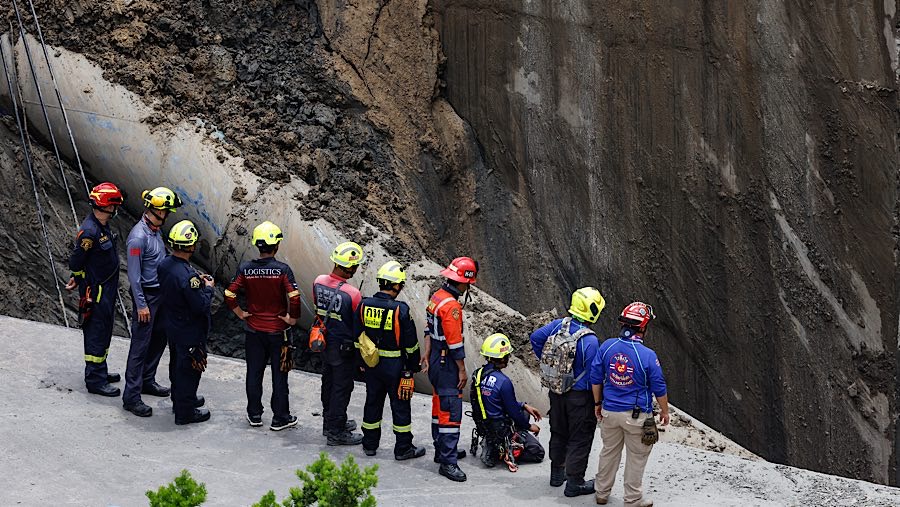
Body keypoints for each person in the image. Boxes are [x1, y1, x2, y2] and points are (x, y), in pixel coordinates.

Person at [224, 221, 301, 431]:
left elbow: (229, 293)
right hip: (278, 331)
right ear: (276, 245)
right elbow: (294, 297)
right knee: (280, 375)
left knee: (254, 373)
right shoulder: (282, 270)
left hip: (253, 331)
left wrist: (240, 313)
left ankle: (255, 415)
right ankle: (280, 418)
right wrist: (292, 318)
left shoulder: (246, 269)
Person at [530, 287, 606, 497]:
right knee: (580, 439)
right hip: (580, 398)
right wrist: (598, 402)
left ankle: (557, 473)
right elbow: (594, 377)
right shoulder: (590, 341)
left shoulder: (558, 325)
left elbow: (535, 338)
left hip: (556, 392)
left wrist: (549, 365)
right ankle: (574, 483)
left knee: (559, 431)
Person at [592, 302, 669, 507]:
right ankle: (632, 499)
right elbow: (659, 386)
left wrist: (597, 403)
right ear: (643, 327)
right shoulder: (648, 355)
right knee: (637, 457)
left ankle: (601, 493)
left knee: (608, 452)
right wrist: (665, 411)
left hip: (609, 411)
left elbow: (596, 378)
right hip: (636, 416)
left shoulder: (607, 346)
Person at [355, 260, 426, 460]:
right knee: (400, 407)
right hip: (395, 368)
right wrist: (411, 369)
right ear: (395, 285)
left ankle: (369, 444)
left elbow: (357, 337)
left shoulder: (364, 304)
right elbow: (411, 344)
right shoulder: (400, 309)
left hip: (372, 365)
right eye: (401, 284)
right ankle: (403, 448)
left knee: (372, 403)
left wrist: (361, 363)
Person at [122, 186, 182, 417]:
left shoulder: (155, 231)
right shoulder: (138, 238)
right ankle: (131, 397)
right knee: (140, 346)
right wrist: (141, 305)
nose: (167, 215)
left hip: (160, 294)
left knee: (158, 339)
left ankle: (147, 380)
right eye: (166, 211)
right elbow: (134, 276)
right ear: (157, 210)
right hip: (147, 296)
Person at [66, 182, 124, 397]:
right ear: (106, 206)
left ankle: (101, 370)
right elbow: (76, 261)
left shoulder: (102, 225)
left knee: (105, 330)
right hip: (96, 291)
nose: (115, 209)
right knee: (96, 332)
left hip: (105, 289)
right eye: (114, 205)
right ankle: (95, 380)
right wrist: (78, 277)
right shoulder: (89, 232)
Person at [424, 256, 478, 482]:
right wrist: (462, 370)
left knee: (439, 407)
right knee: (450, 411)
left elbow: (428, 329)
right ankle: (448, 462)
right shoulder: (452, 306)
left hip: (436, 358)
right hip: (447, 364)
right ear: (463, 283)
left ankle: (441, 450)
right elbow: (455, 343)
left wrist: (427, 354)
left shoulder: (436, 297)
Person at [158, 220, 213, 425]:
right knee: (189, 370)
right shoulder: (188, 277)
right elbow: (200, 305)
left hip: (173, 324)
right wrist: (208, 288)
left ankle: (180, 399)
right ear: (190, 246)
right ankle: (185, 412)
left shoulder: (165, 264)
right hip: (189, 329)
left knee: (177, 364)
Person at [313, 241, 364, 445]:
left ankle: (330, 422)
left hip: (324, 342)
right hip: (343, 347)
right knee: (341, 388)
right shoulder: (353, 294)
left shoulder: (318, 282)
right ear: (351, 267)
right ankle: (336, 432)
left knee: (328, 382)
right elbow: (358, 324)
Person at [470, 333, 544, 469]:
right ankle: (500, 450)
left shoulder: (478, 375)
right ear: (504, 357)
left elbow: (493, 400)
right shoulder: (503, 382)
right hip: (500, 429)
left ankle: (492, 442)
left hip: (485, 426)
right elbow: (513, 412)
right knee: (537, 452)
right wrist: (529, 427)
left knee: (524, 412)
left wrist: (524, 405)